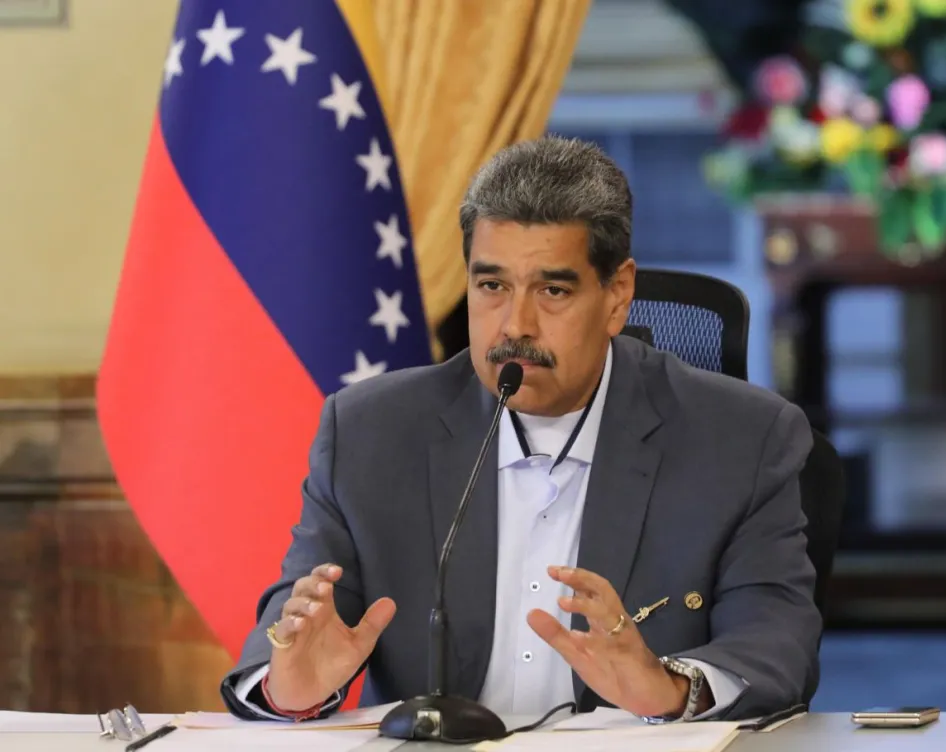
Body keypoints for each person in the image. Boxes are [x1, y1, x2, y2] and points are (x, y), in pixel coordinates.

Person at [220, 135, 821, 723]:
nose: (515, 325)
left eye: (552, 290)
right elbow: (300, 618)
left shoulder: (742, 440)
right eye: (492, 287)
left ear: (617, 295)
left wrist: (669, 689)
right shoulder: (370, 433)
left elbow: (776, 645)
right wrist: (288, 689)